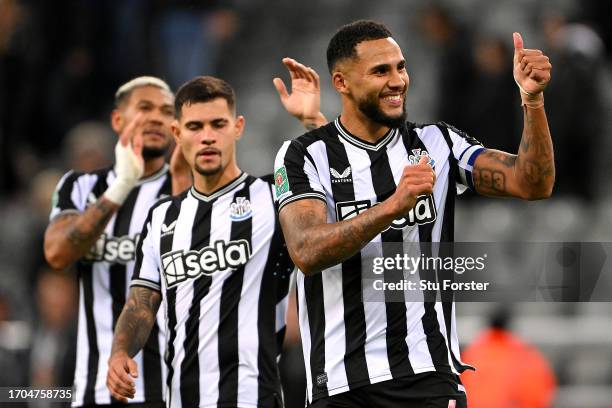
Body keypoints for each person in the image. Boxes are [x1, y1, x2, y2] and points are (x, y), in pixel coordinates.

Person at [273, 20, 554, 408]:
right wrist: (392, 205)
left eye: (400, 67)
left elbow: (532, 183)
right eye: (380, 71)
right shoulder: (304, 155)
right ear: (342, 82)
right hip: (341, 385)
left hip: (429, 379)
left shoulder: (438, 142)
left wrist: (533, 102)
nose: (397, 80)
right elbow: (306, 251)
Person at [106, 75, 315, 408]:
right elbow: (141, 303)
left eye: (218, 124)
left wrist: (313, 121)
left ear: (238, 127)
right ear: (177, 133)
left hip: (253, 397)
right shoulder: (161, 216)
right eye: (195, 127)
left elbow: (344, 192)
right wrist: (119, 352)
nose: (207, 137)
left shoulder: (272, 197)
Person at [44, 76, 191, 407]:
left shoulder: (191, 187)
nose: (156, 117)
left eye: (167, 111)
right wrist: (122, 185)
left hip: (170, 387)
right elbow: (56, 253)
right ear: (117, 120)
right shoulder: (79, 186)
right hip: (93, 385)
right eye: (144, 107)